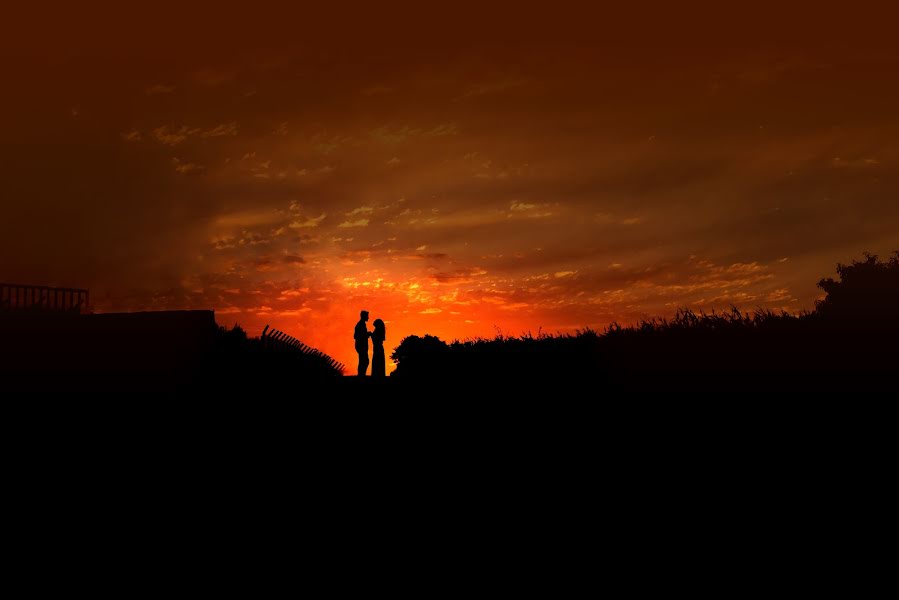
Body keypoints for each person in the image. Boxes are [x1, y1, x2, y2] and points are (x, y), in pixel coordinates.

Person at [354, 310, 371, 377]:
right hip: (361, 346)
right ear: (364, 316)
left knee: (363, 361)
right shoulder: (361, 324)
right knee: (365, 361)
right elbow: (356, 336)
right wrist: (367, 334)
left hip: (360, 345)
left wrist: (366, 334)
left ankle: (361, 375)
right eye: (367, 316)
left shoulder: (361, 324)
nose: (368, 318)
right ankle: (361, 375)